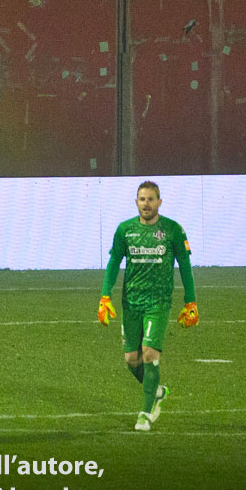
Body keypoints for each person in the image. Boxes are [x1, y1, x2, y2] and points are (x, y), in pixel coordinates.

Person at [97, 180, 198, 432]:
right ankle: (157, 391)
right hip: (131, 302)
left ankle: (145, 413)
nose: (146, 204)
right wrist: (104, 296)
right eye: (142, 199)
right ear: (136, 202)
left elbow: (184, 265)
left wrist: (190, 301)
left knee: (149, 354)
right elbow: (113, 263)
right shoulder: (125, 230)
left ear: (159, 202)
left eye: (151, 199)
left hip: (158, 302)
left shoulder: (173, 230)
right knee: (132, 359)